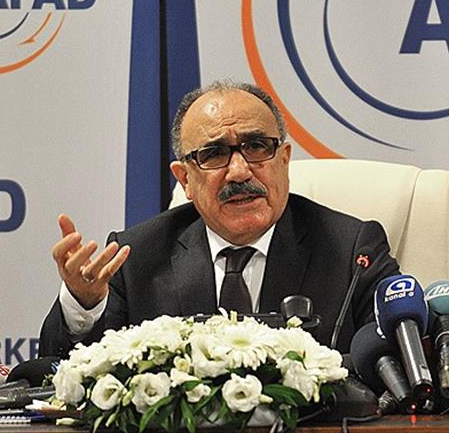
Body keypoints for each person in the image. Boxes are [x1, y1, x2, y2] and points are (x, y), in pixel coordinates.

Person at [39, 80, 400, 358]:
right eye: (214, 154)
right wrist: (83, 303)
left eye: (256, 146)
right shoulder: (136, 258)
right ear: (185, 179)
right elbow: (68, 373)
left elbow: (390, 359)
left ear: (284, 159)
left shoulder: (353, 251)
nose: (239, 171)